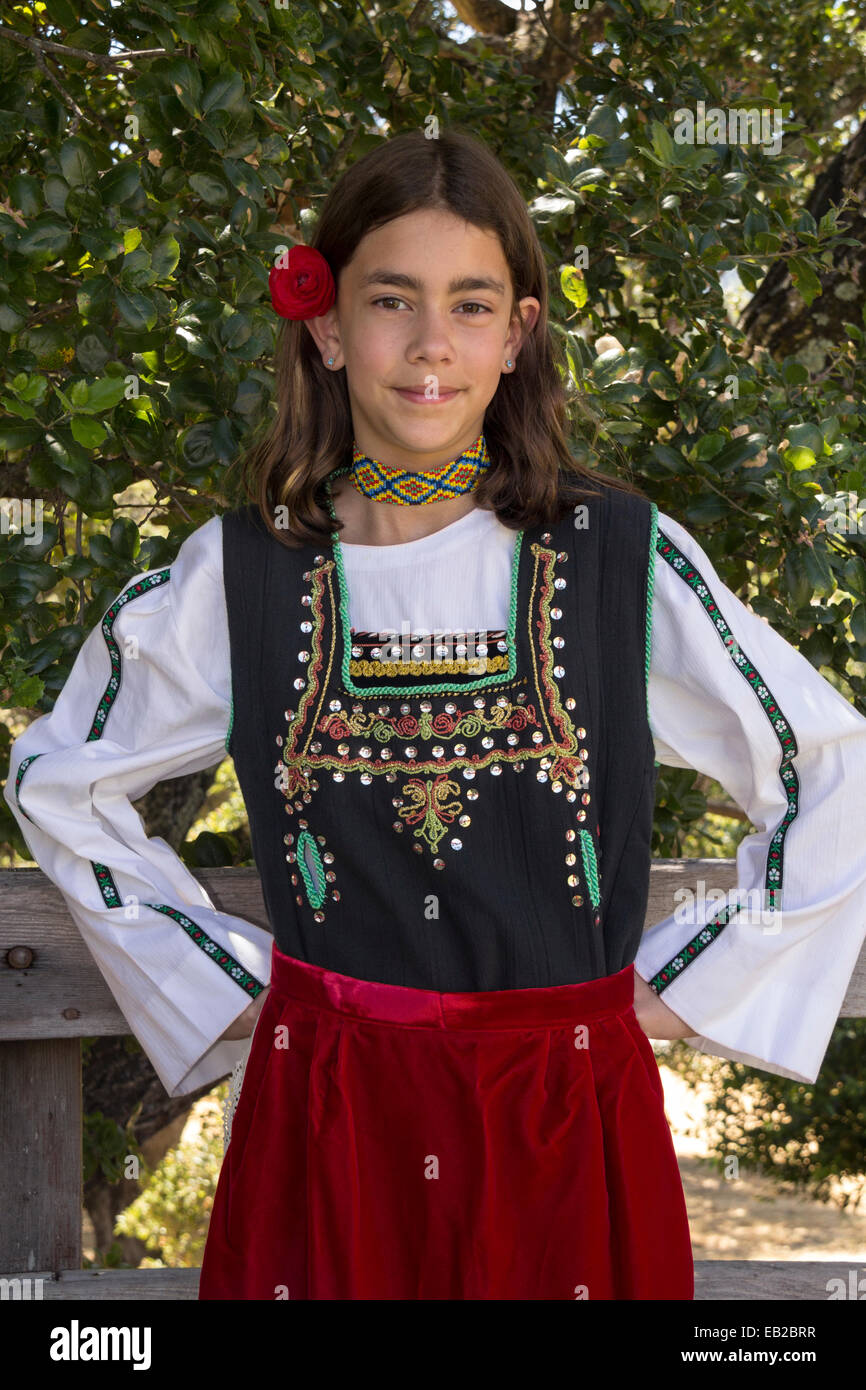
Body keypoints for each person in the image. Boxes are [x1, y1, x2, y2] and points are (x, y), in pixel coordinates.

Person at [6, 128, 866, 1302]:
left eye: (468, 306)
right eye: (389, 301)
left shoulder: (616, 558)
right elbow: (60, 781)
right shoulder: (242, 575)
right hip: (329, 1117)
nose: (427, 348)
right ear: (322, 325)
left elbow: (831, 764)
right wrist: (227, 985)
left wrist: (688, 987)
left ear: (515, 335)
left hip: (564, 1115)